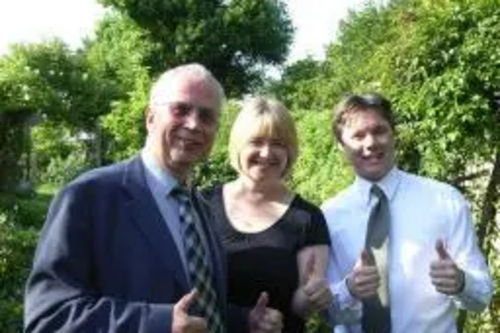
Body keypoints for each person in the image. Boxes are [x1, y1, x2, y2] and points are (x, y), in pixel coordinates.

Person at [24, 64, 278, 333]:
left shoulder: (201, 207)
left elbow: (194, 306)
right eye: (180, 109)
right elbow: (49, 317)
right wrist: (156, 323)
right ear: (150, 118)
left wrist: (243, 319)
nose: (193, 124)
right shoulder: (88, 197)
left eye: (206, 116)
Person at [322, 93, 494, 333]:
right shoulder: (328, 216)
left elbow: (483, 295)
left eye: (379, 130)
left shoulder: (445, 200)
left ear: (394, 135)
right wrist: (350, 289)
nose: (371, 142)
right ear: (341, 145)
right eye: (358, 135)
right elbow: (327, 313)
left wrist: (461, 282)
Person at [202, 96, 333, 333]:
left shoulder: (308, 218)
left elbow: (301, 306)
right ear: (238, 145)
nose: (266, 153)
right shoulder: (201, 205)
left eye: (278, 143)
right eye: (256, 142)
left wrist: (311, 295)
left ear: (289, 150)